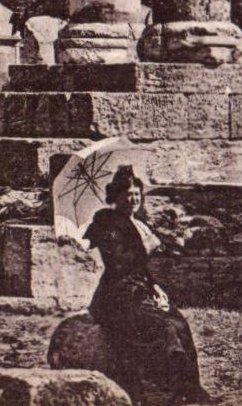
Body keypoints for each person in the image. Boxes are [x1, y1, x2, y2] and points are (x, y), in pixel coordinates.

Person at [84, 165, 207, 405]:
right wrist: (146, 248)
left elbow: (140, 268)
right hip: (117, 294)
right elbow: (118, 262)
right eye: (127, 195)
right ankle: (159, 391)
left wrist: (155, 287)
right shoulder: (106, 221)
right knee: (163, 328)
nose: (133, 200)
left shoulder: (137, 223)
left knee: (179, 323)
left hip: (140, 289)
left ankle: (188, 389)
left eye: (137, 195)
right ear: (116, 197)